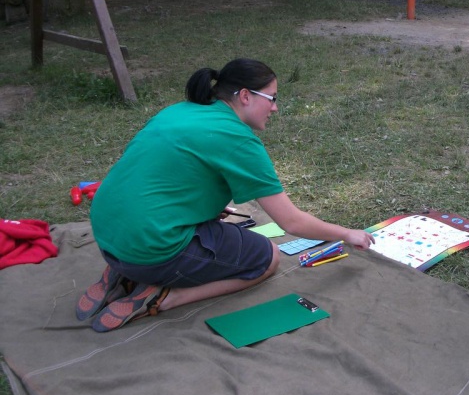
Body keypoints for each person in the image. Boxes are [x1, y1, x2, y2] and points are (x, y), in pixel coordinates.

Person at [77, 58, 375, 332]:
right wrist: (346, 233)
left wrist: (204, 208)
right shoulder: (239, 141)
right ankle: (165, 296)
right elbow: (291, 222)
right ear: (245, 96)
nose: (275, 108)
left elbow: (159, 177)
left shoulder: (179, 111)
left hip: (107, 233)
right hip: (149, 247)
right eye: (272, 98)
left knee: (170, 234)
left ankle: (124, 272)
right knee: (267, 258)